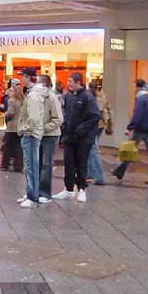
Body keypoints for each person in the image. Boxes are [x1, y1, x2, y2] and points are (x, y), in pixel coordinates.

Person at [52, 72, 100, 203]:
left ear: (78, 82)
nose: (68, 84)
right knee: (69, 163)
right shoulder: (68, 96)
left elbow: (95, 116)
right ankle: (68, 189)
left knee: (81, 163)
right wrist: (65, 128)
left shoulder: (87, 97)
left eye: (70, 81)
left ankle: (81, 189)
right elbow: (67, 114)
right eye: (67, 81)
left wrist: (81, 129)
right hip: (69, 137)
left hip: (83, 139)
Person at [111, 79, 148, 184]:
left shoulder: (140, 99)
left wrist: (130, 127)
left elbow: (137, 114)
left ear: (138, 87)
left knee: (129, 150)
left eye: (135, 86)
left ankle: (120, 169)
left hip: (140, 129)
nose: (134, 89)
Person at [16, 67, 46, 208]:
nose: (22, 79)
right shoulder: (33, 93)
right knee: (31, 165)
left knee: (31, 166)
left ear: (28, 77)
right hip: (33, 133)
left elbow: (33, 118)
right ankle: (31, 193)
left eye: (23, 76)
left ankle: (32, 196)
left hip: (31, 134)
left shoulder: (33, 95)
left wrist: (24, 129)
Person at [38, 74, 63, 204]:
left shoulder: (52, 98)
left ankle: (45, 193)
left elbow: (58, 119)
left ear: (44, 84)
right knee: (38, 163)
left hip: (50, 135)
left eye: (38, 83)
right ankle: (36, 191)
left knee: (46, 164)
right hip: (40, 134)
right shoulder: (38, 97)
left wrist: (44, 128)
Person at [86, 81, 112, 186]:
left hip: (93, 126)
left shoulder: (89, 96)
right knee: (91, 148)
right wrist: (110, 125)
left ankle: (99, 176)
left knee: (93, 149)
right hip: (101, 125)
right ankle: (90, 174)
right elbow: (110, 111)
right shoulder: (103, 96)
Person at [0, 78, 24, 171]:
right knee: (18, 147)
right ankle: (18, 165)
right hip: (20, 126)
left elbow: (11, 112)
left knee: (7, 146)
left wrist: (5, 114)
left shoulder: (11, 101)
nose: (9, 92)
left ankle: (5, 164)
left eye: (10, 91)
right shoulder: (22, 100)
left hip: (12, 126)